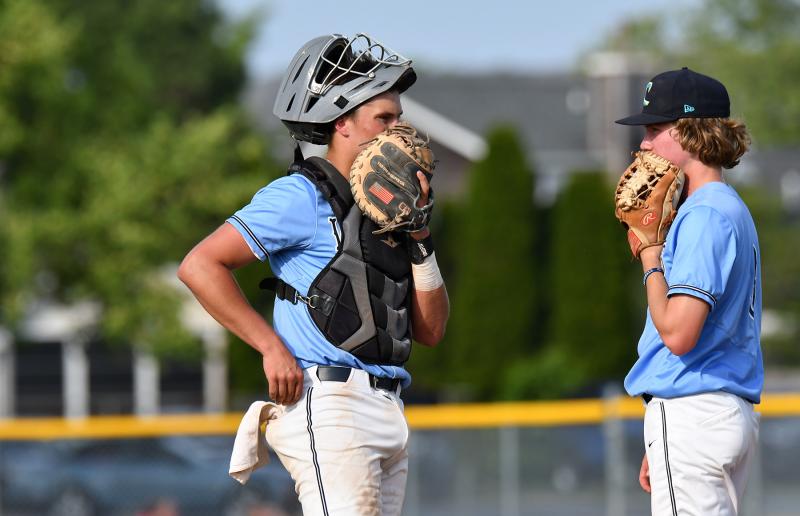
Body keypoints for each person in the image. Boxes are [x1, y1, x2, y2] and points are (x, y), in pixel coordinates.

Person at [178, 33, 449, 516]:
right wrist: (269, 345)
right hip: (330, 404)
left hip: (388, 406)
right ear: (342, 123)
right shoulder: (300, 196)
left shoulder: (392, 211)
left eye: (399, 117)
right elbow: (200, 265)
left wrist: (421, 236)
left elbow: (431, 331)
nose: (399, 130)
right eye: (384, 118)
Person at [616, 67, 762, 515]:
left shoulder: (703, 215)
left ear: (691, 132)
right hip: (715, 411)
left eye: (656, 129)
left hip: (693, 411)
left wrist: (649, 253)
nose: (644, 142)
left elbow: (679, 334)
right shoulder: (727, 208)